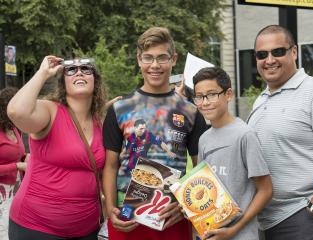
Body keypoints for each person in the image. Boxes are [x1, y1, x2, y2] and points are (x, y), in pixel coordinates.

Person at [247, 25, 313, 240]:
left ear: (293, 52)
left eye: (278, 51)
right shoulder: (261, 99)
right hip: (266, 221)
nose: (269, 60)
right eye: (262, 54)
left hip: (303, 220)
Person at [102, 26, 207, 240]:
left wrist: (183, 206)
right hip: (127, 216)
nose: (155, 65)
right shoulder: (120, 109)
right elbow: (110, 166)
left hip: (172, 216)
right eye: (148, 58)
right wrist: (111, 208)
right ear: (139, 60)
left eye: (162, 58)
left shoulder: (191, 111)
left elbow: (200, 168)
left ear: (173, 59)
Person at [7, 56, 107, 239]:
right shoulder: (50, 111)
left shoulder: (100, 122)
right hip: (36, 227)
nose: (79, 72)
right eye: (71, 70)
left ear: (95, 80)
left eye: (86, 68)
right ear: (63, 82)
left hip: (87, 229)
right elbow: (16, 111)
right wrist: (43, 72)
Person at [192, 67, 272, 240]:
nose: (205, 102)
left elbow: (266, 190)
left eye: (212, 94)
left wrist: (234, 229)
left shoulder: (244, 135)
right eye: (199, 97)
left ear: (228, 94)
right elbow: (204, 187)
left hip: (241, 235)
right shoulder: (204, 139)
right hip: (209, 233)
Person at [0, 87, 27, 240]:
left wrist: (25, 157)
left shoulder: (14, 128)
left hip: (14, 192)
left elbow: (16, 155)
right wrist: (17, 166)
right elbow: (13, 163)